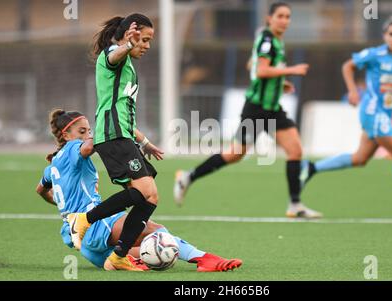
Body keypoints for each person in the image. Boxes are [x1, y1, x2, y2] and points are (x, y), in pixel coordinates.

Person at [36, 109, 243, 272]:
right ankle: (204, 259)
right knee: (156, 230)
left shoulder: (51, 166)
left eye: (88, 131)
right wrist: (109, 127)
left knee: (144, 244)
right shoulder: (73, 148)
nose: (87, 135)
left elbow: (41, 190)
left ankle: (121, 259)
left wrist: (63, 208)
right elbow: (89, 147)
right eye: (82, 132)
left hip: (87, 246)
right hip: (97, 227)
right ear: (66, 135)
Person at [174, 2, 322, 219]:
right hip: (256, 109)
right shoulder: (268, 40)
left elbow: (251, 66)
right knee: (234, 154)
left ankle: (295, 204)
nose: (284, 20)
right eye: (280, 16)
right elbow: (261, 70)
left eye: (288, 16)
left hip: (273, 108)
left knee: (295, 151)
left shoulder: (275, 41)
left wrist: (280, 83)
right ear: (269, 18)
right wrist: (291, 70)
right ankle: (188, 177)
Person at [300, 19, 392, 219]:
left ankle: (312, 167)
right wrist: (352, 91)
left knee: (360, 159)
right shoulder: (374, 54)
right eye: (391, 34)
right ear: (384, 36)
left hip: (386, 113)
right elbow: (347, 66)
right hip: (372, 111)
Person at [65, 13, 166, 271]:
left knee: (150, 197)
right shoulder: (113, 55)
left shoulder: (129, 67)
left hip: (123, 136)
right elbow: (112, 57)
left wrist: (145, 143)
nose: (147, 45)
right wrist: (128, 46)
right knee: (145, 191)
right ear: (129, 35)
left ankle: (119, 255)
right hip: (112, 137)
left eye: (148, 41)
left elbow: (126, 115)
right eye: (143, 39)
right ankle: (83, 220)